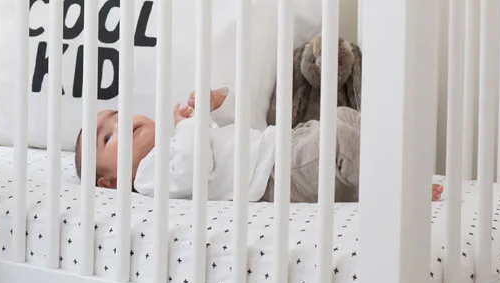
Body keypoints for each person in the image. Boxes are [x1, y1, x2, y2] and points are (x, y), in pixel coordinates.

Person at [75, 87, 365, 203]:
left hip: (280, 144)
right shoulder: (148, 177)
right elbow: (196, 169)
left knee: (342, 118)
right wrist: (189, 123)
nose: (120, 125)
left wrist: (214, 107)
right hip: (274, 174)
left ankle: (401, 148)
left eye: (118, 116)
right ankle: (398, 184)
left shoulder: (175, 142)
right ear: (111, 182)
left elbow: (226, 138)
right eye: (108, 137)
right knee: (340, 143)